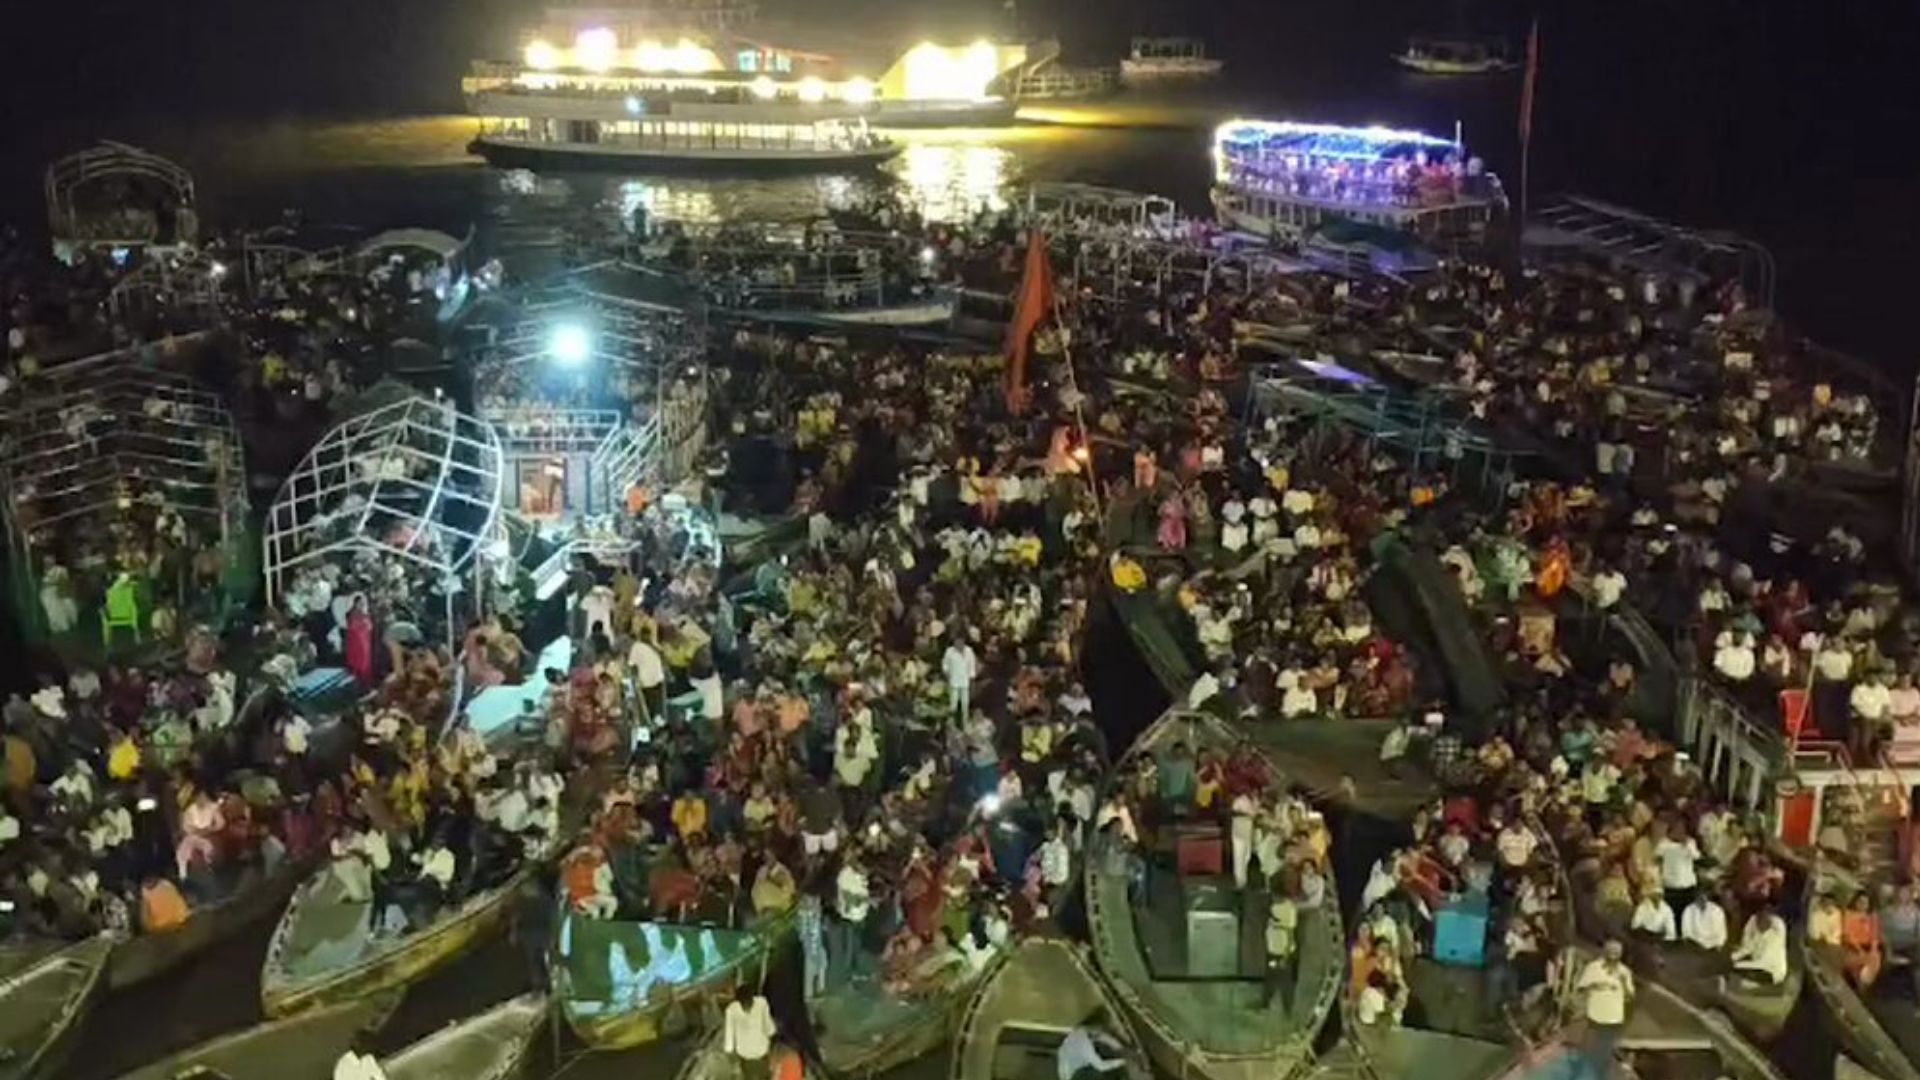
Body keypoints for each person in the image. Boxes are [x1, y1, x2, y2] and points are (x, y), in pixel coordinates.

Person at [1575, 939, 1634, 1080]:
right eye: (1611, 951)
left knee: (1605, 1049)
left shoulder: (1624, 971)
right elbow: (1581, 988)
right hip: (1595, 1014)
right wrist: (1596, 985)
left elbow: (1629, 995)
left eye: (1617, 952)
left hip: (1614, 1017)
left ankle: (1601, 1074)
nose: (1614, 955)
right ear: (1605, 952)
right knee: (1593, 1047)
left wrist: (1624, 982)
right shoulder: (1593, 968)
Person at [724, 985, 778, 1080]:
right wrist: (731, 1055)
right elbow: (729, 1035)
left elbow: (768, 1025)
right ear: (739, 1002)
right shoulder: (731, 1011)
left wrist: (772, 1034)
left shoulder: (762, 1003)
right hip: (746, 1055)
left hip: (762, 1053)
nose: (748, 1005)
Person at [1057, 1009, 1130, 1080]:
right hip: (1078, 1071)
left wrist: (1123, 1055)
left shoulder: (1083, 1036)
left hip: (1077, 1067)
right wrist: (1124, 1060)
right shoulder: (1084, 1040)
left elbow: (1103, 1037)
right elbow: (1101, 1066)